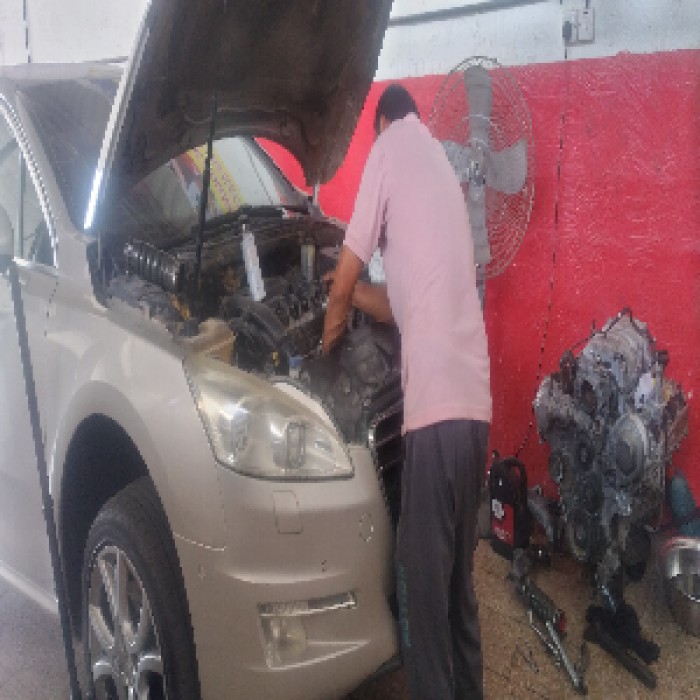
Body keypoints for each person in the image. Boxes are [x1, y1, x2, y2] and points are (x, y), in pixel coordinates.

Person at [321, 84, 492, 700]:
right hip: (475, 413)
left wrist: (325, 344)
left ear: (381, 123)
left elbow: (347, 276)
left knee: (419, 589)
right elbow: (398, 303)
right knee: (455, 589)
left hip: (436, 417)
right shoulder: (439, 161)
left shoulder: (388, 149)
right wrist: (347, 296)